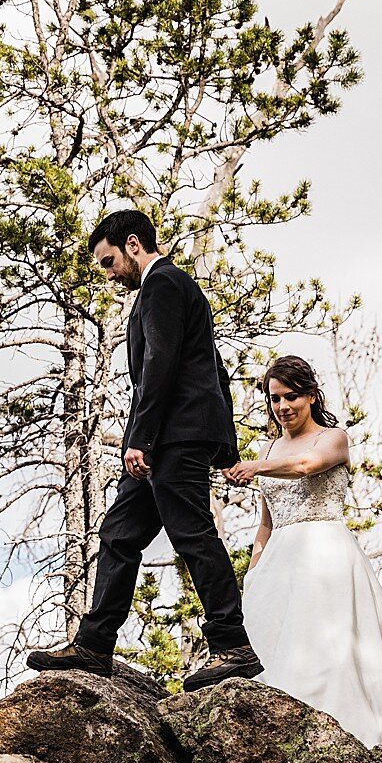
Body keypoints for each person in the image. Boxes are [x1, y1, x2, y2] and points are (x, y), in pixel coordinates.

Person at [28, 209, 264, 692]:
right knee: (119, 534)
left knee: (192, 534)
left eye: (109, 260)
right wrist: (223, 444)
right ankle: (94, 643)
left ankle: (233, 643)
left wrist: (141, 439)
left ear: (132, 244)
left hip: (170, 438)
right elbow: (213, 370)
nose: (110, 274)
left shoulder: (164, 285)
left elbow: (160, 365)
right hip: (166, 437)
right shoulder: (168, 290)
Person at [222, 355, 382, 748]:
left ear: (310, 395)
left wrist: (255, 466)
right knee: (278, 651)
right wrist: (252, 575)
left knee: (328, 652)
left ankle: (347, 739)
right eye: (274, 399)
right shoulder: (270, 448)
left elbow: (307, 466)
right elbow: (266, 525)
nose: (283, 407)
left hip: (324, 557)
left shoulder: (332, 438)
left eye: (291, 397)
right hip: (278, 564)